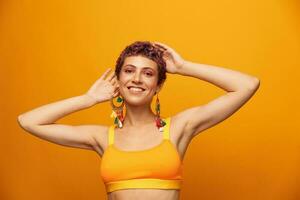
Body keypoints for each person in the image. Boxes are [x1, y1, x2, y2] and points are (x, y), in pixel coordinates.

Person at [17, 41, 260, 200]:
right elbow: (28, 121)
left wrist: (185, 67)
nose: (137, 79)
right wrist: (88, 99)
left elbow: (247, 85)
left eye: (148, 73)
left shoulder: (178, 128)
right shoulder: (102, 137)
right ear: (119, 80)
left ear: (158, 85)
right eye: (129, 70)